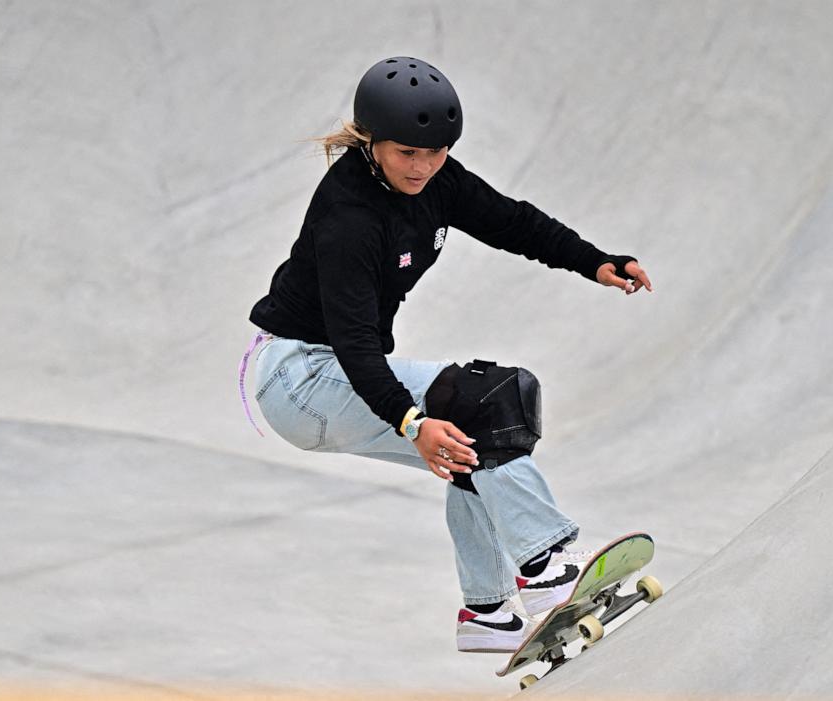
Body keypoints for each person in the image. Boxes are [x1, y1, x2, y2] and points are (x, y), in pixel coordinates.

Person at [239, 56, 652, 653]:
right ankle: (546, 568)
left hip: (335, 373)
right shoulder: (349, 216)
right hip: (303, 381)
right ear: (371, 141)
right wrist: (411, 421)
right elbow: (355, 343)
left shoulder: (439, 179)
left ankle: (487, 614)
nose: (424, 167)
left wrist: (594, 260)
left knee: (474, 437)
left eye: (436, 152)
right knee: (486, 400)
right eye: (408, 153)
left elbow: (513, 222)